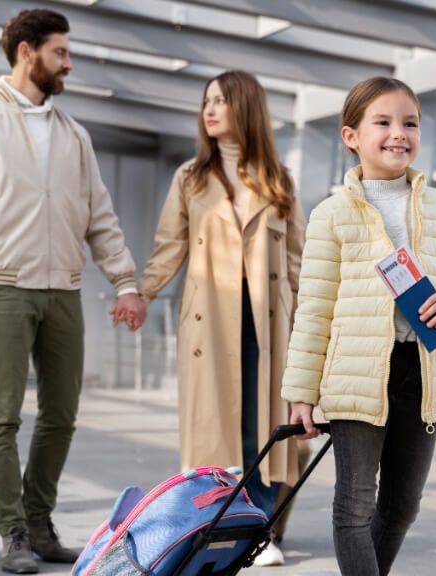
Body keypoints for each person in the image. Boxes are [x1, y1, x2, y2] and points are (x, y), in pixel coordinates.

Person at [0, 9, 146, 574]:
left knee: (61, 415)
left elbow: (100, 217)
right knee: (2, 417)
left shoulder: (75, 135)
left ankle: (40, 521)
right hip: (2, 287)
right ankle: (14, 532)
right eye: (60, 52)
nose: (68, 63)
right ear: (27, 52)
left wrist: (125, 282)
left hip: (64, 290)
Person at [282, 77, 436, 576]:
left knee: (402, 506)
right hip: (356, 373)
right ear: (351, 136)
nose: (399, 133)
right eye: (383, 122)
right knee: (354, 505)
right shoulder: (331, 215)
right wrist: (301, 393)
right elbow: (313, 309)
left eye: (410, 123)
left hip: (424, 370)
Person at [126, 70, 304, 566]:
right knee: (214, 430)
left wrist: (317, 322)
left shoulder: (278, 179)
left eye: (220, 100)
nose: (209, 109)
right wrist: (141, 292)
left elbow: (298, 259)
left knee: (263, 427)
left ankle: (261, 528)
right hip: (210, 322)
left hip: (268, 322)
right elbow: (170, 246)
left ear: (245, 107)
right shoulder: (190, 177)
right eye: (206, 101)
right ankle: (217, 523)